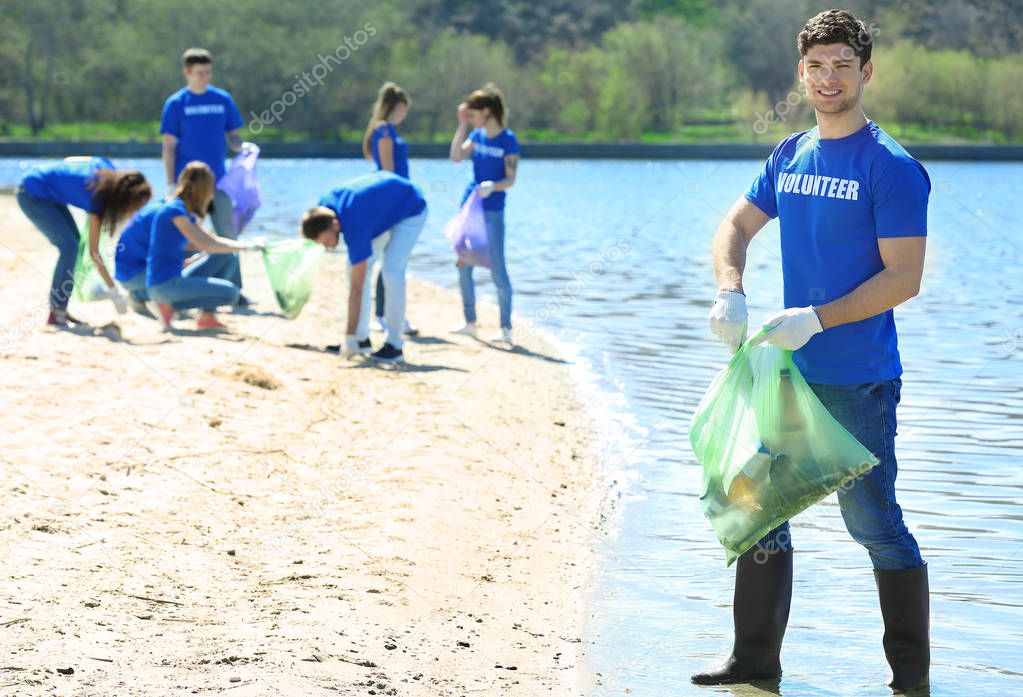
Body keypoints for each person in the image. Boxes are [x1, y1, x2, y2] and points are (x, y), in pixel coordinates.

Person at [697, 10, 930, 693]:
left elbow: (903, 278)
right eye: (815, 66)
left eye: (840, 66)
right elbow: (734, 225)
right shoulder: (789, 153)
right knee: (757, 507)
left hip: (857, 382)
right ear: (800, 73)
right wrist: (728, 290)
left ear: (865, 72)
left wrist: (818, 319)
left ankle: (909, 679)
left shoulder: (889, 167)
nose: (827, 78)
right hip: (787, 375)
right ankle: (753, 663)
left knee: (873, 525)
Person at [301, 170, 427, 365]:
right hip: (381, 210)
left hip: (411, 208)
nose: (327, 246)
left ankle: (394, 346)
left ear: (335, 225)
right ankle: (361, 340)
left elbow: (357, 289)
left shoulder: (354, 225)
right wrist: (352, 337)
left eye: (326, 241)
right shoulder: (323, 209)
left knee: (391, 272)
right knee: (355, 270)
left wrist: (347, 335)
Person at [16, 156, 151, 326]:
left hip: (42, 185)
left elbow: (72, 159)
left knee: (74, 243)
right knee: (69, 247)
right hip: (31, 193)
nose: (134, 212)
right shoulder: (99, 199)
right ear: (125, 198)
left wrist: (63, 178)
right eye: (136, 207)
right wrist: (113, 290)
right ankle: (56, 312)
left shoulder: (105, 167)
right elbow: (94, 252)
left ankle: (60, 310)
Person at [160, 47, 249, 301]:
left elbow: (234, 137)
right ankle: (183, 286)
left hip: (219, 182)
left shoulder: (223, 99)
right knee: (187, 237)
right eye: (199, 73)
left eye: (208, 72)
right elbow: (168, 146)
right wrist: (169, 184)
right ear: (186, 72)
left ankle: (235, 291)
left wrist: (242, 147)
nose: (204, 77)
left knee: (227, 235)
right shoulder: (176, 104)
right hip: (187, 184)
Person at [146, 162, 262, 330]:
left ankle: (206, 316)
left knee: (228, 256)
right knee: (231, 294)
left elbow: (210, 239)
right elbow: (204, 243)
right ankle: (169, 305)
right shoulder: (175, 210)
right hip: (164, 284)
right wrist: (245, 247)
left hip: (173, 277)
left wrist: (245, 245)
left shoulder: (183, 211)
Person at [448, 84, 520, 345]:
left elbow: (511, 179)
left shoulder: (508, 140)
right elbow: (456, 156)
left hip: (492, 211)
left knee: (498, 269)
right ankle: (470, 322)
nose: (472, 117)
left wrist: (494, 186)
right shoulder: (476, 135)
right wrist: (462, 125)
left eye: (474, 113)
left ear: (487, 111)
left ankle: (505, 329)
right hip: (470, 208)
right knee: (463, 263)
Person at [362, 81, 419, 338]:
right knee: (393, 261)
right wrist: (396, 203)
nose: (405, 115)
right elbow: (387, 171)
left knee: (391, 260)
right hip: (392, 200)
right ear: (398, 106)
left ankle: (386, 314)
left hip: (396, 198)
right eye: (405, 110)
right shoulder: (384, 131)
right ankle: (384, 315)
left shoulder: (384, 130)